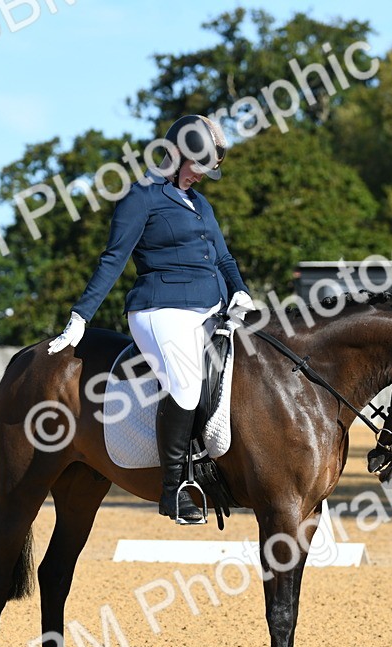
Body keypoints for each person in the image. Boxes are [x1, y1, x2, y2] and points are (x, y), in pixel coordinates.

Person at [47, 115, 255, 523]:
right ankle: (173, 489)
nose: (201, 176)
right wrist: (80, 317)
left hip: (212, 309)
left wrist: (240, 289)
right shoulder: (141, 197)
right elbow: (113, 259)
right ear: (177, 154)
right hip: (160, 311)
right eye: (198, 166)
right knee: (185, 385)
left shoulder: (200, 203)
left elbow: (224, 257)